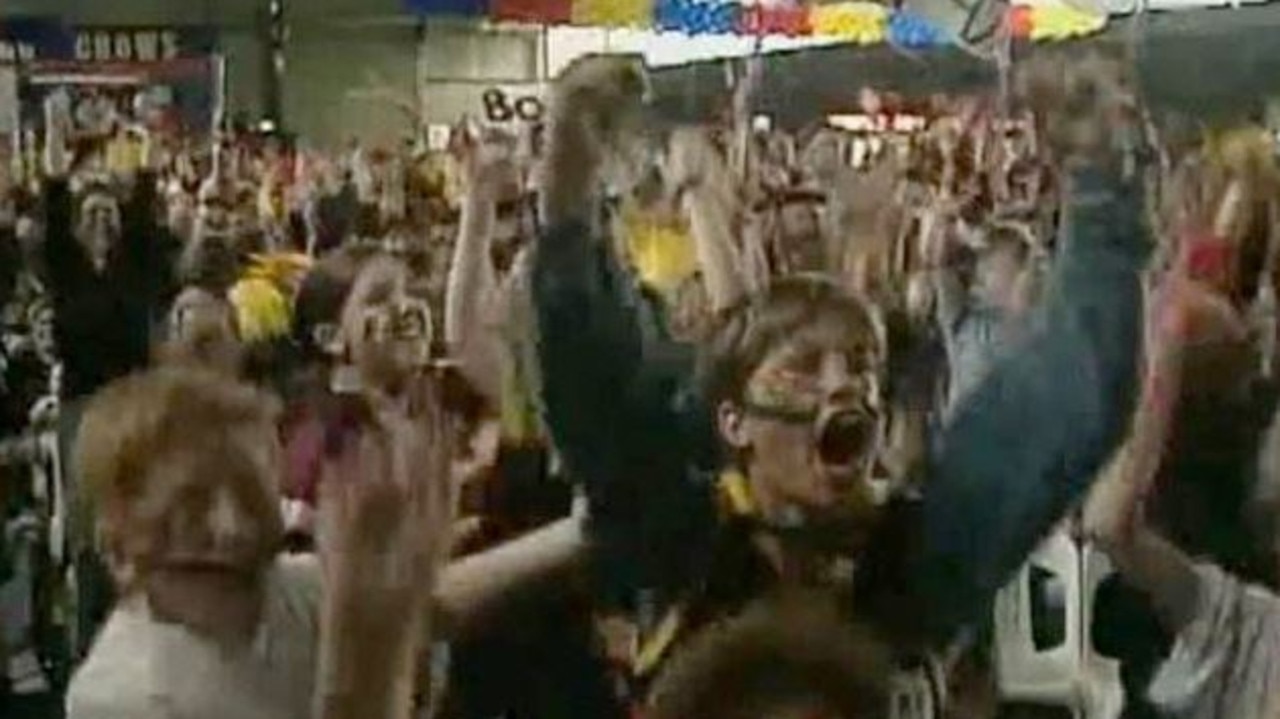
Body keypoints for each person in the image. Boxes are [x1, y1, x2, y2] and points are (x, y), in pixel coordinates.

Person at [531, 51, 1150, 712]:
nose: (842, 387)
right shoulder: (682, 536)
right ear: (733, 420)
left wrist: (1101, 187)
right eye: (804, 369)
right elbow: (592, 383)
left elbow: (1070, 398)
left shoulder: (920, 551)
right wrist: (568, 183)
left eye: (860, 366)